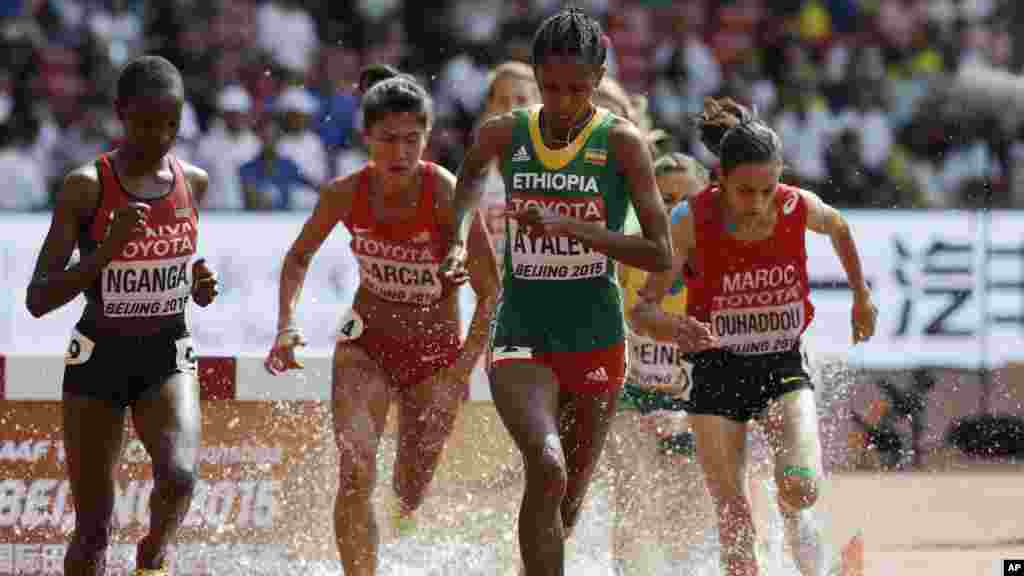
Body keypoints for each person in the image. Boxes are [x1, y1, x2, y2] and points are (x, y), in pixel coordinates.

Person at [439, 8, 673, 575]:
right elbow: (467, 185)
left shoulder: (621, 142)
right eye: (551, 88)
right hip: (523, 334)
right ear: (537, 78)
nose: (564, 101)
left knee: (564, 506)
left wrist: (572, 228)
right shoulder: (503, 132)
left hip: (596, 338)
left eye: (578, 88)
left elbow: (660, 252)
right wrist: (454, 242)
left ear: (599, 80)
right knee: (547, 466)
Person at [264, 64, 500, 576]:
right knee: (355, 472)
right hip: (365, 347)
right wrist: (286, 323)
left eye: (411, 141)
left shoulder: (446, 193)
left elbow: (491, 293)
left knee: (410, 489)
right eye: (388, 140)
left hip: (436, 360)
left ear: (428, 138)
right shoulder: (345, 192)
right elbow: (298, 257)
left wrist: (459, 374)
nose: (400, 153)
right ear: (366, 137)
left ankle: (403, 518)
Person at [631, 97, 878, 576]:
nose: (758, 204)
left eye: (768, 188)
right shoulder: (687, 222)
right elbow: (643, 309)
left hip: (782, 365)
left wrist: (861, 296)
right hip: (715, 374)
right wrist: (673, 325)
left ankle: (802, 535)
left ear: (781, 177)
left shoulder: (794, 205)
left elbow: (840, 226)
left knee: (800, 487)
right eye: (746, 192)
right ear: (720, 178)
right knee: (734, 515)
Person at [25, 55, 218, 576]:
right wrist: (106, 249)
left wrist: (197, 284)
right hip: (99, 357)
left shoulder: (193, 181)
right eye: (146, 122)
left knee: (179, 477)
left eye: (171, 124)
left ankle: (152, 559)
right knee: (93, 528)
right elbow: (38, 298)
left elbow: (177, 263)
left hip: (166, 353)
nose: (160, 135)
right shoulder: (86, 185)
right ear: (119, 114)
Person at [611, 150, 710, 574]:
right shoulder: (626, 254)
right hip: (631, 394)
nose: (672, 209)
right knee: (633, 489)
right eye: (663, 198)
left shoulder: (720, 262)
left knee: (686, 504)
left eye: (682, 199)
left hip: (693, 401)